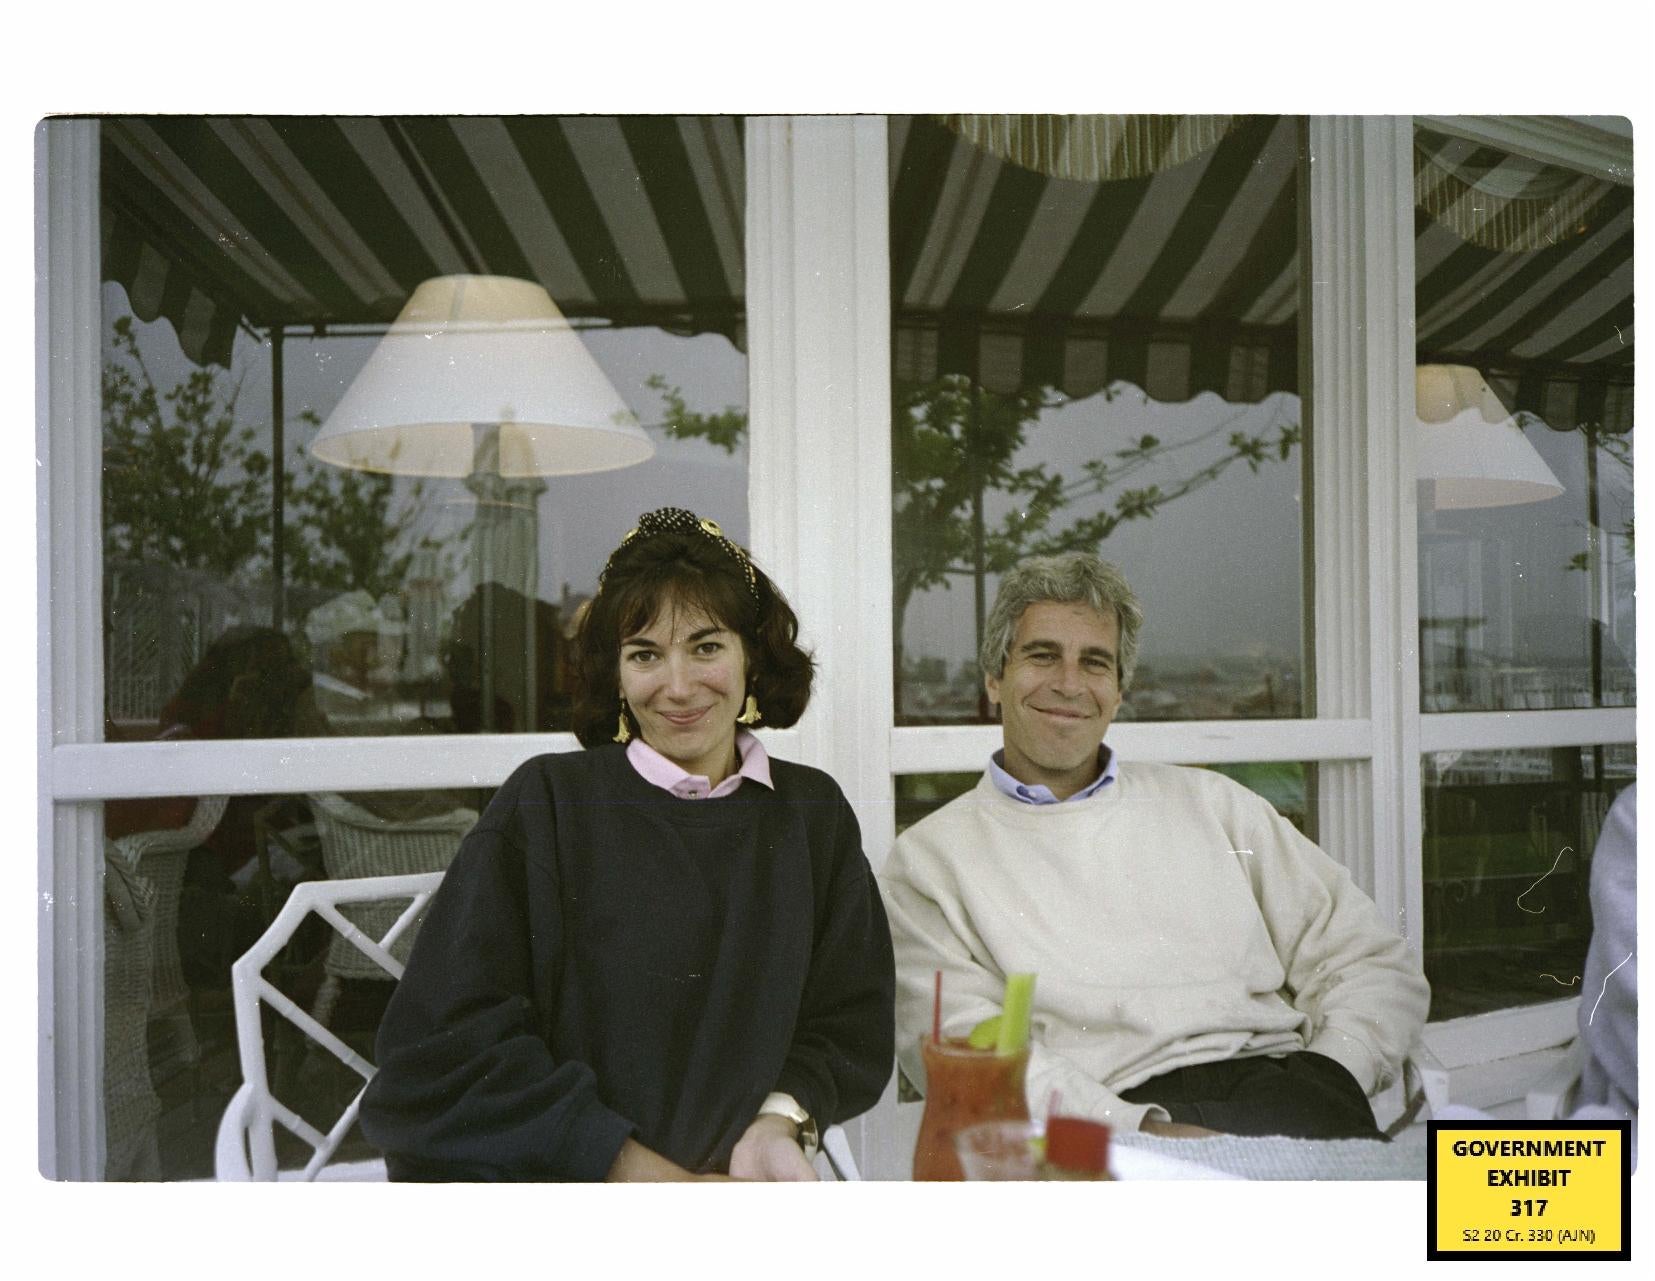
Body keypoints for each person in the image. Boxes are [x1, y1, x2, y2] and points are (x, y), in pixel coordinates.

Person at [359, 508, 895, 1180]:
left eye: (706, 647)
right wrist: (638, 1176)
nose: (677, 686)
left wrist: (777, 1120)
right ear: (614, 674)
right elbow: (440, 1053)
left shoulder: (811, 814)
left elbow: (849, 1024)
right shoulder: (548, 803)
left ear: (752, 655)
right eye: (645, 654)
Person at [881, 552, 1430, 1141]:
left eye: (1095, 663)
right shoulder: (927, 864)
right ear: (994, 678)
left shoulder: (1215, 806)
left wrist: (1334, 1071)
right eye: (1042, 656)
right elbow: (965, 1050)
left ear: (1119, 692)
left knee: (1489, 1224)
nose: (1069, 683)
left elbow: (1369, 957)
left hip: (1288, 1091)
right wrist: (1138, 1133)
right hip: (1101, 1137)